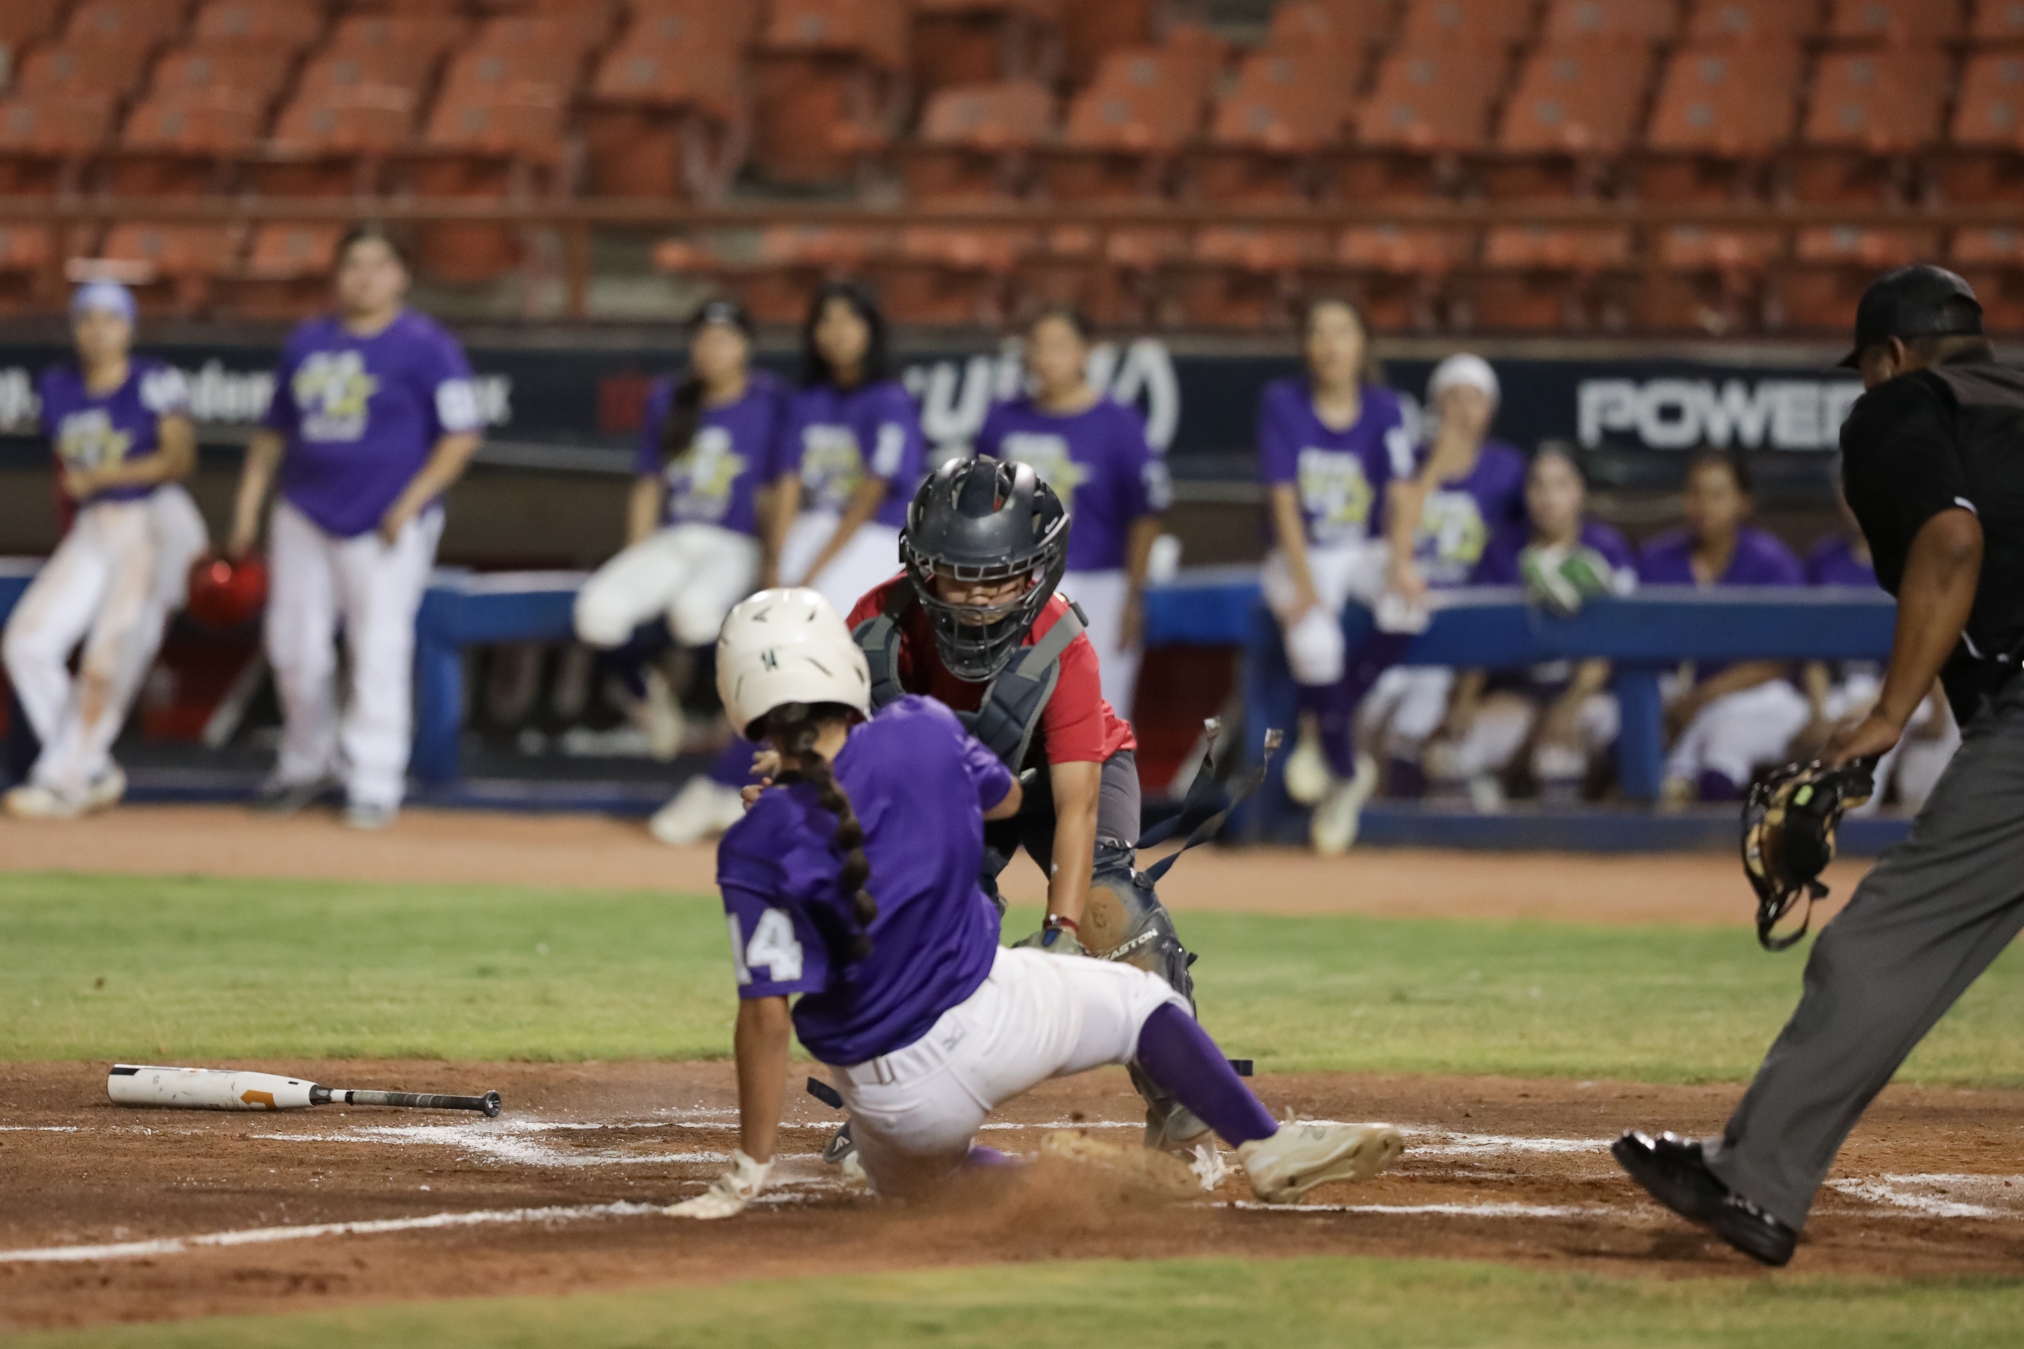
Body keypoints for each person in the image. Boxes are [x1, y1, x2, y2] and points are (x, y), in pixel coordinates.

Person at [665, 586, 1402, 1217]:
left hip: (892, 1103)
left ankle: (1079, 1186)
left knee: (930, 1189)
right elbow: (1010, 798)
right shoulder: (923, 728)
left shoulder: (755, 840)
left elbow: (765, 1017)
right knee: (1143, 1004)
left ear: (741, 703)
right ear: (844, 666)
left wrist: (749, 1166)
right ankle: (1265, 1145)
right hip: (994, 1012)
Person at [1614, 266, 2024, 1266]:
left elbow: (1950, 535)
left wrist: (1887, 714)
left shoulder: (1900, 407)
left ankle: (1754, 1177)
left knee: (1875, 945)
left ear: (1885, 357)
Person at [847, 455, 1212, 1155]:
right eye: (958, 575)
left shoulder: (1062, 642)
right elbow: (841, 751)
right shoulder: (874, 627)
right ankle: (888, 1114)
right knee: (910, 918)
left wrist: (1063, 927)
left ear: (1039, 569)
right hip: (956, 789)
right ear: (921, 565)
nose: (976, 600)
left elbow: (1075, 805)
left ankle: (1185, 1118)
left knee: (1115, 912)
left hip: (1069, 775)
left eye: (1000, 578)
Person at [228, 225, 484, 829]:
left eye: (378, 264)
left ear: (402, 276)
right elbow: (272, 433)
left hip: (386, 519)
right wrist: (246, 508)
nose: (364, 276)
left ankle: (373, 779)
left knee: (377, 647)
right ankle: (304, 763)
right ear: (337, 275)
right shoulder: (308, 341)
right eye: (353, 265)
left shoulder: (427, 345)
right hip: (305, 510)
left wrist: (411, 500)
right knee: (294, 646)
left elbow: (462, 434)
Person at [570, 299, 788, 846]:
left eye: (724, 338)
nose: (712, 350)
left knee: (695, 617)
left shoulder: (769, 400)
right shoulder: (671, 396)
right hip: (674, 536)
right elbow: (650, 480)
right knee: (596, 612)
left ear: (745, 346)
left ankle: (716, 711)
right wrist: (636, 552)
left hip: (732, 540)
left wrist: (772, 559)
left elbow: (774, 488)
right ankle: (650, 695)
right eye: (704, 339)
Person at [2, 281, 207, 818]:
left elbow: (178, 458)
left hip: (152, 521)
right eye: (86, 319)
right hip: (95, 528)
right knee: (27, 644)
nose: (97, 330)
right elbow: (64, 478)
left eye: (109, 319)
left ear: (129, 327)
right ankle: (88, 767)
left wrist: (105, 476)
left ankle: (60, 781)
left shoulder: (153, 379)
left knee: (108, 657)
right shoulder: (57, 387)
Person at [1257, 298, 1419, 853]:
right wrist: (1304, 585)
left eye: (1342, 332)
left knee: (1409, 606)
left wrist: (1401, 563)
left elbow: (1399, 494)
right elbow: (1282, 501)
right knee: (1315, 639)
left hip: (1364, 546)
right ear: (1306, 346)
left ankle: (1322, 730)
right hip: (1301, 549)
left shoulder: (1386, 407)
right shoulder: (1282, 403)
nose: (1330, 345)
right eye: (1319, 333)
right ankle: (1348, 771)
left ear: (1363, 344)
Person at [974, 306, 1171, 724]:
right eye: (1038, 346)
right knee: (1014, 716)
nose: (1047, 357)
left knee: (1097, 714)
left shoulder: (1118, 424)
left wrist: (1133, 597)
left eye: (1060, 346)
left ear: (1086, 352)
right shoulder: (1001, 420)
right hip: (1015, 587)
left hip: (1097, 583)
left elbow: (1145, 514)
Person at [1348, 353, 1528, 800]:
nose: (1464, 411)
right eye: (1453, 398)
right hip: (1406, 608)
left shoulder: (1506, 468)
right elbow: (1387, 534)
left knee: (1420, 707)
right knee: (1375, 701)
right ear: (1434, 405)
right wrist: (1434, 470)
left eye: (1475, 400)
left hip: (1465, 618)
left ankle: (1400, 814)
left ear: (1491, 410)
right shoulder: (1406, 461)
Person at [1428, 445, 1636, 806]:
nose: (1548, 497)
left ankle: (1566, 856)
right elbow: (1481, 634)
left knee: (1557, 761)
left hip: (1589, 697)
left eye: (1560, 485)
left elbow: (1611, 642)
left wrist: (1569, 704)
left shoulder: (1606, 550)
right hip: (1517, 694)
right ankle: (1474, 855)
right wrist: (1464, 699)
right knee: (1445, 758)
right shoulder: (1502, 551)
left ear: (1579, 491)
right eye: (1538, 486)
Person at [1636, 450, 1809, 804]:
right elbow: (1631, 641)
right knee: (1650, 758)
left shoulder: (1771, 562)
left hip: (1758, 701)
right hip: (1680, 697)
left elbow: (1782, 657)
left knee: (1717, 759)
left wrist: (1703, 696)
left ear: (1743, 503)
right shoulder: (1657, 558)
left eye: (1717, 495)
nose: (1703, 506)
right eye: (1695, 493)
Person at [770, 280, 924, 618]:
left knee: (819, 614)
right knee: (769, 612)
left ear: (871, 329)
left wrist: (812, 573)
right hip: (810, 524)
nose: (837, 331)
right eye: (826, 320)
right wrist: (774, 563)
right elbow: (788, 483)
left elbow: (872, 493)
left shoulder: (891, 401)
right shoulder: (804, 401)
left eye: (849, 320)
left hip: (873, 532)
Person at [1800, 495, 1960, 815]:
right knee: (1851, 796)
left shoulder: (1924, 555)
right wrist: (1818, 713)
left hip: (1914, 694)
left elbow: (1937, 643)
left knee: (1927, 786)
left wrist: (1934, 709)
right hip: (1847, 694)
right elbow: (1810, 649)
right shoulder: (1823, 558)